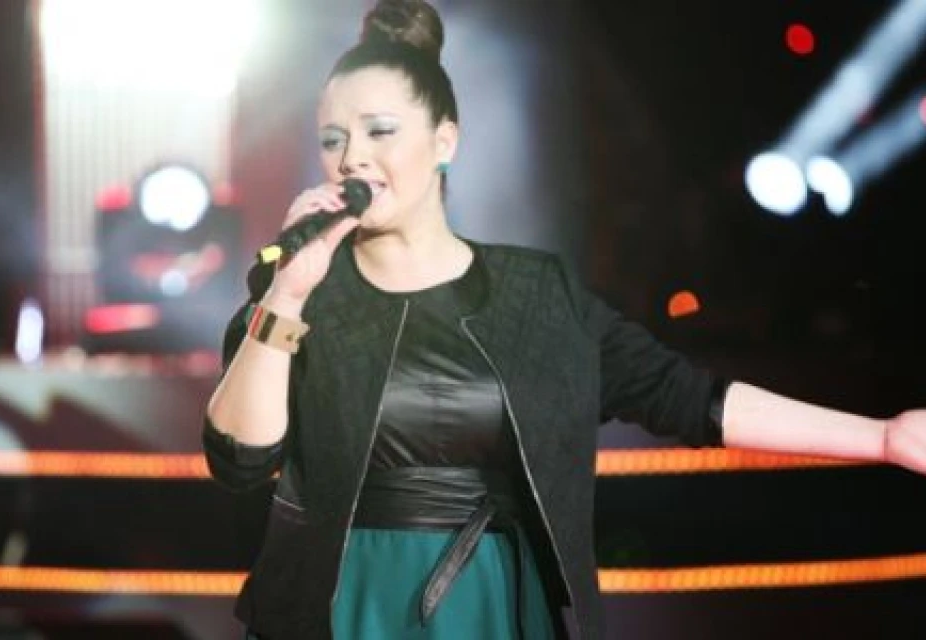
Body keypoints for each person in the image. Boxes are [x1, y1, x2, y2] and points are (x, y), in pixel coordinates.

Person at [202, 1, 926, 638]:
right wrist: (287, 297)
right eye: (334, 138)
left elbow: (690, 399)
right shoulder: (299, 289)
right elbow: (238, 459)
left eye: (380, 131)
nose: (352, 157)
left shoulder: (535, 295)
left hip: (489, 601)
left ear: (445, 141)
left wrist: (885, 436)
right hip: (339, 604)